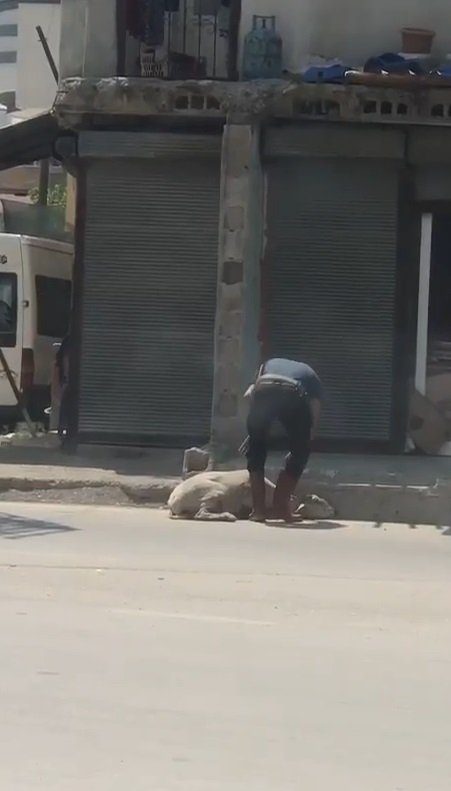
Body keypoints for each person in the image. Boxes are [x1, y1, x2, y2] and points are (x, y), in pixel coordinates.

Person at [245, 357, 322, 522]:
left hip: (263, 388)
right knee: (299, 452)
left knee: (256, 451)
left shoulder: (267, 364)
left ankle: (258, 511)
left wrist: (255, 430)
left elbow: (249, 394)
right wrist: (309, 436)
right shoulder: (310, 374)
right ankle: (281, 508)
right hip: (292, 392)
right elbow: (314, 406)